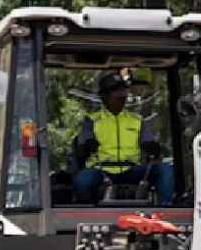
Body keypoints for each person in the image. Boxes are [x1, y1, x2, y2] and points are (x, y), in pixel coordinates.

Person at [73, 73, 174, 205]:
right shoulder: (92, 120)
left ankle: (164, 210)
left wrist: (152, 147)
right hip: (101, 170)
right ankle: (87, 213)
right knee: (82, 181)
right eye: (116, 91)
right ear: (104, 96)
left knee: (165, 170)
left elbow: (148, 142)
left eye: (123, 90)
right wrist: (87, 146)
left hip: (131, 170)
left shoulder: (137, 120)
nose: (122, 95)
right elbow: (81, 150)